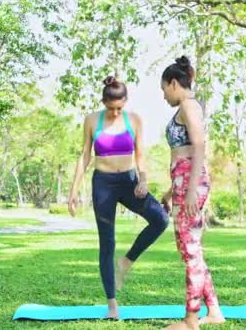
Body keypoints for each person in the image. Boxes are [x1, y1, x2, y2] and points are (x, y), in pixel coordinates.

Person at [67, 76, 169, 319]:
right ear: (103, 102)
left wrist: (144, 180)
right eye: (110, 108)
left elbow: (141, 154)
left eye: (119, 108)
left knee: (160, 219)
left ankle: (127, 261)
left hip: (129, 181)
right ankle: (112, 304)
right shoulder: (92, 120)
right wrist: (74, 190)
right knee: (107, 243)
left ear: (125, 103)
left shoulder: (134, 120)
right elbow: (85, 156)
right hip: (103, 184)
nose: (114, 113)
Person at [160, 57, 225, 330]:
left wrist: (189, 192)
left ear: (174, 83)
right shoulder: (186, 107)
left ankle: (190, 321)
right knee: (192, 249)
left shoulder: (188, 106)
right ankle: (215, 312)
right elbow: (184, 151)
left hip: (190, 182)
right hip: (182, 181)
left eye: (164, 89)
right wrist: (171, 191)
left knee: (190, 251)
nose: (163, 96)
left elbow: (199, 146)